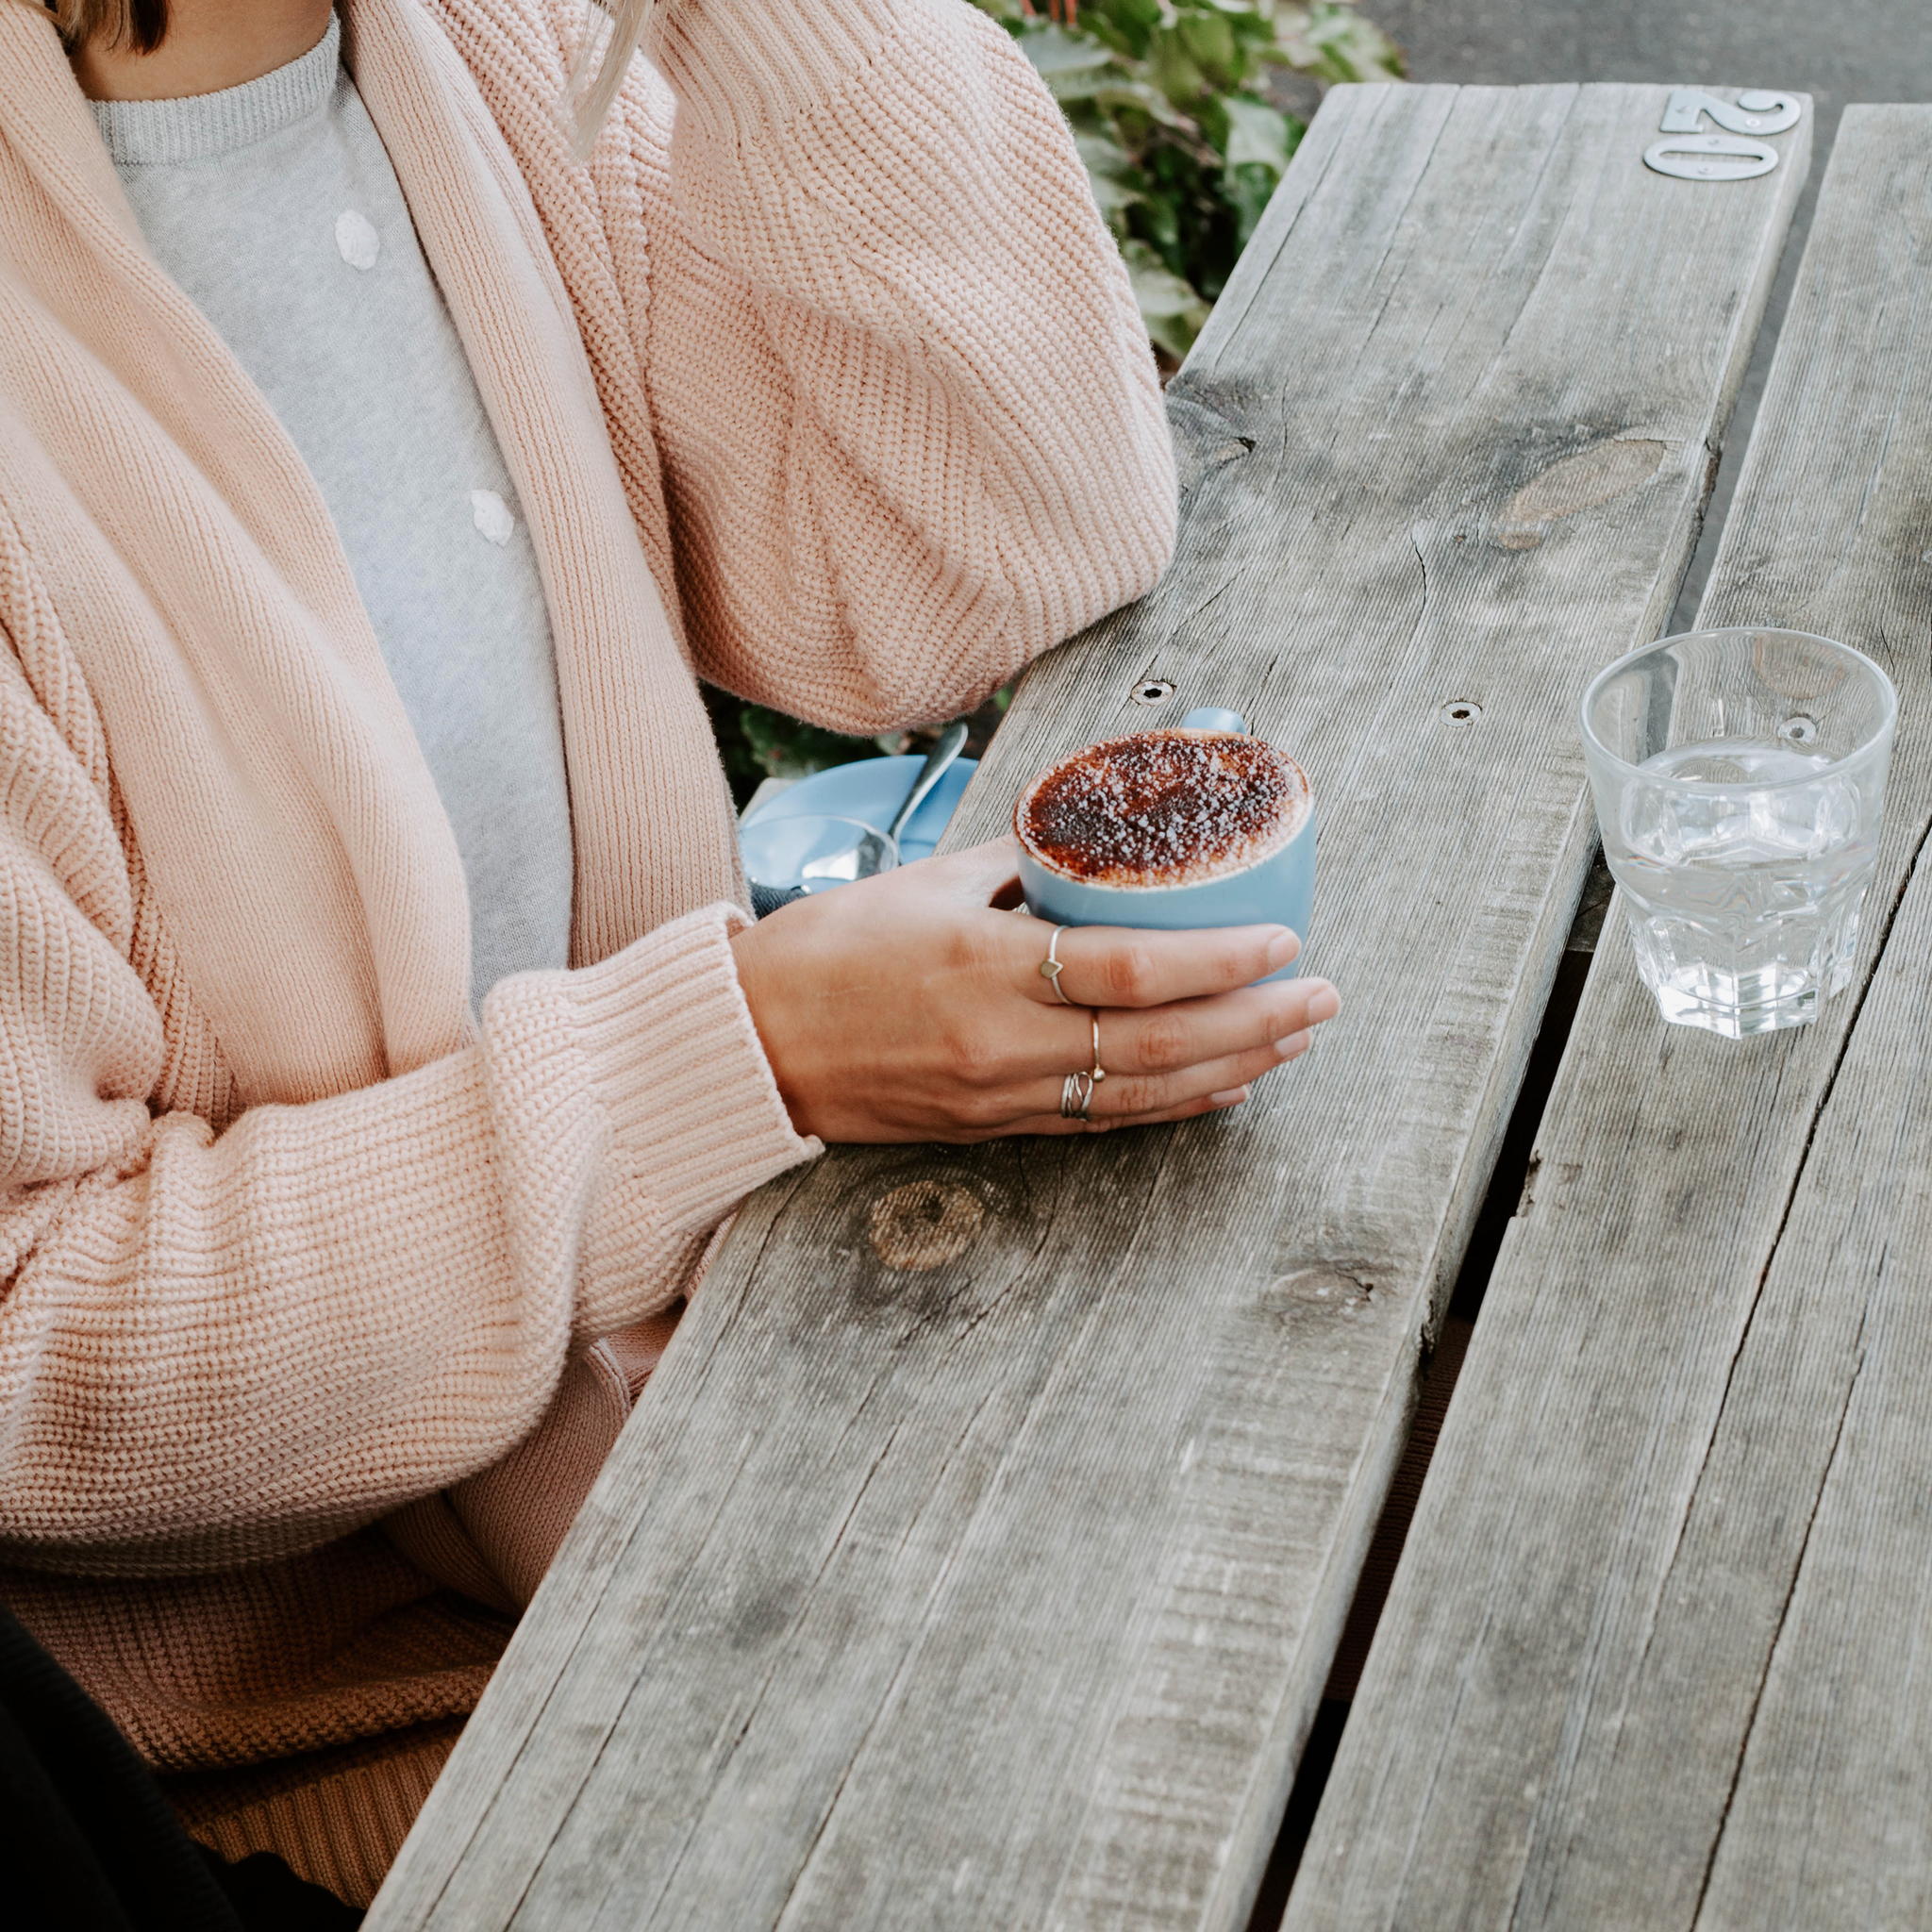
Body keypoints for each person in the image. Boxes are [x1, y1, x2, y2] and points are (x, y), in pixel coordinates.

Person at [0, 0, 1342, 1902]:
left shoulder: (466, 48)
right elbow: (27, 1345)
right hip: (378, 1761)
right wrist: (744, 1061)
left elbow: (997, 552)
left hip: (770, 1433)